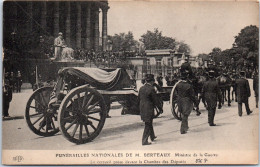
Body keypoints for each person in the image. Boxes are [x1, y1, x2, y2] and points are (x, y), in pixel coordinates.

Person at [138, 74, 163, 145]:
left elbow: (138, 98)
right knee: (148, 124)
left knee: (149, 122)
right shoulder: (151, 89)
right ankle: (144, 141)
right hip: (149, 108)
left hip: (142, 108)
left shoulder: (141, 88)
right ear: (152, 81)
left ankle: (152, 136)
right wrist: (160, 108)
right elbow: (155, 100)